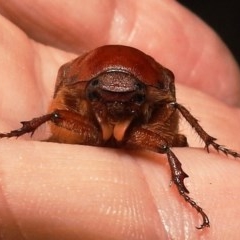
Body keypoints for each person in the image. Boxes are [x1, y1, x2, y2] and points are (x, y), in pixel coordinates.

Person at [0, 1, 239, 239]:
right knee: (56, 116)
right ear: (88, 89)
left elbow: (168, 124)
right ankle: (13, 135)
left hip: (139, 128)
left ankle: (206, 153)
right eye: (99, 95)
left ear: (144, 94)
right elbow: (56, 113)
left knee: (167, 140)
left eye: (131, 97)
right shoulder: (72, 78)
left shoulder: (159, 91)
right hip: (87, 124)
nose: (115, 105)